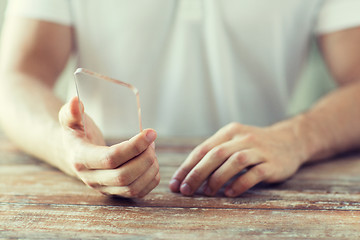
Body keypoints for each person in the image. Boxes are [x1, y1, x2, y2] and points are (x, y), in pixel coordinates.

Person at [0, 0, 359, 198]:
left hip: (256, 190)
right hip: (109, 204)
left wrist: (297, 137)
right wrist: (70, 150)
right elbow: (14, 79)